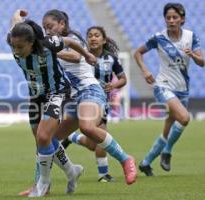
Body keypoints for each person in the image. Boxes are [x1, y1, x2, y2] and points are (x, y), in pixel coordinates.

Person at [8, 10, 97, 197]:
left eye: (20, 47)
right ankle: (72, 171)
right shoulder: (15, 39)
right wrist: (17, 14)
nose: (16, 51)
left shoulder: (48, 44)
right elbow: (16, 23)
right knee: (43, 140)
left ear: (32, 43)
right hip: (36, 96)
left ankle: (43, 184)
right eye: (14, 47)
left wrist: (87, 55)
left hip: (57, 92)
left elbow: (71, 42)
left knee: (43, 136)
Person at [42, 9, 137, 185]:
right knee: (46, 140)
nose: (47, 31)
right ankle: (43, 184)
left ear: (62, 24)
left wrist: (52, 52)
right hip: (72, 99)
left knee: (87, 127)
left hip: (90, 91)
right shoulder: (50, 44)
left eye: (50, 26)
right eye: (44, 28)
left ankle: (125, 159)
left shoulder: (72, 38)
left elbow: (76, 56)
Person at [134, 3, 204, 176]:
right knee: (185, 118)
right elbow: (138, 53)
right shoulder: (159, 38)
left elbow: (201, 62)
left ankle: (146, 162)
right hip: (163, 86)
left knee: (168, 128)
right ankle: (167, 152)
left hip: (183, 89)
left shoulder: (191, 36)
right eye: (168, 18)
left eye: (175, 17)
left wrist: (193, 55)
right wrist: (145, 70)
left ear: (182, 19)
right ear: (165, 19)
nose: (171, 21)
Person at [62, 25, 128, 183]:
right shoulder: (79, 55)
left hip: (101, 101)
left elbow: (123, 78)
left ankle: (71, 137)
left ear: (104, 40)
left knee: (93, 143)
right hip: (82, 99)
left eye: (97, 35)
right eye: (90, 35)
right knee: (101, 135)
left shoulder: (111, 58)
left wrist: (113, 85)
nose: (93, 38)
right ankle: (103, 174)